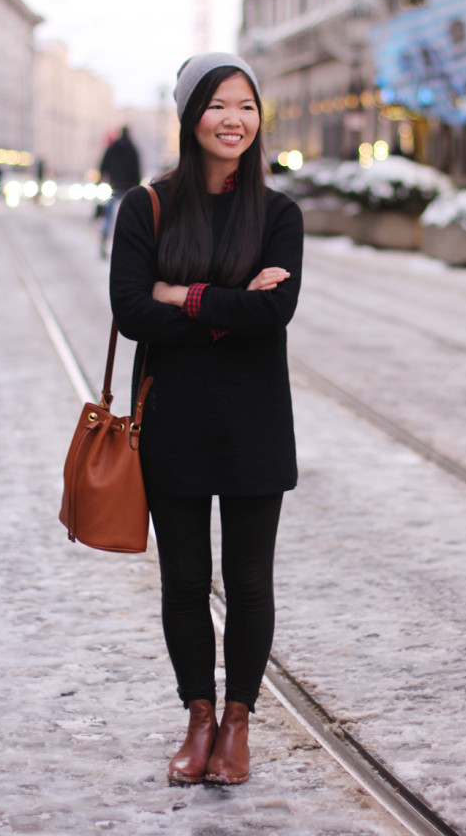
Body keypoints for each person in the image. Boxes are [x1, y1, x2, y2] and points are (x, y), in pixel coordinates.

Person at [109, 52, 304, 787]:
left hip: (254, 418)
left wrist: (182, 298)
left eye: (247, 106)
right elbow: (131, 312)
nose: (234, 120)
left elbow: (275, 310)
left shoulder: (279, 213)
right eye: (219, 105)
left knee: (250, 580)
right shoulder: (146, 208)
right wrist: (232, 306)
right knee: (185, 580)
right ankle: (198, 717)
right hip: (174, 418)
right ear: (191, 117)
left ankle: (238, 724)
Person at [98, 126, 142, 257]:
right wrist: (137, 187)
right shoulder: (132, 149)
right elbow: (136, 171)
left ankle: (103, 244)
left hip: (113, 187)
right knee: (128, 219)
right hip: (128, 190)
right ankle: (127, 249)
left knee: (108, 217)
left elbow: (103, 165)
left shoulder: (112, 148)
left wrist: (102, 180)